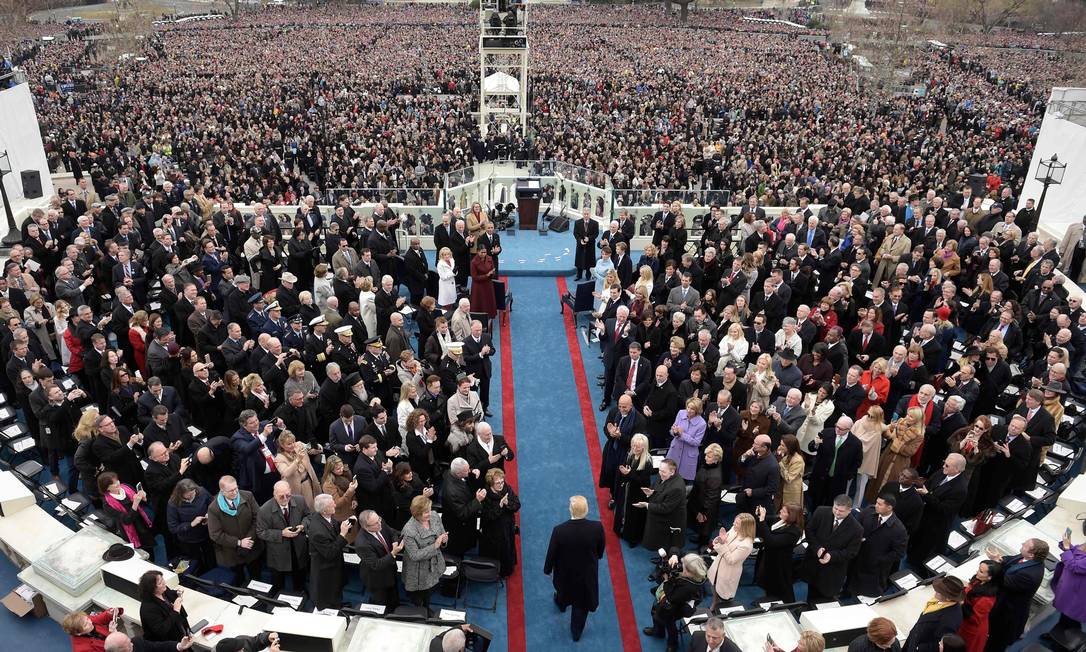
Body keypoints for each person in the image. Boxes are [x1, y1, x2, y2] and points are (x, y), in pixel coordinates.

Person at [544, 495, 606, 641]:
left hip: (565, 573)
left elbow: (552, 553)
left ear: (571, 510)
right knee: (581, 605)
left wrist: (547, 569)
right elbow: (600, 550)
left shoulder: (559, 530)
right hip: (586, 575)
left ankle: (561, 604)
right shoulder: (597, 527)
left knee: (563, 591)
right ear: (586, 510)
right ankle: (576, 633)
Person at [984, 538, 1049, 652]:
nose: (1022, 543)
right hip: (1003, 606)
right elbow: (1011, 560)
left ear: (1032, 554)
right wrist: (999, 559)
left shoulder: (1030, 575)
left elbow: (1004, 580)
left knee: (995, 643)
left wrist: (989, 568)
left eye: (1025, 545)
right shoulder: (1028, 558)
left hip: (1008, 615)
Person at [907, 454, 969, 568]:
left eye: (947, 465)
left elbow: (944, 509)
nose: (943, 466)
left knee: (923, 548)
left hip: (936, 523)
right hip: (924, 515)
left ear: (957, 469)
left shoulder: (960, 489)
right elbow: (929, 484)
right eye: (944, 463)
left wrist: (927, 496)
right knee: (914, 539)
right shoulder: (942, 472)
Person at [803, 494, 863, 604]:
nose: (837, 512)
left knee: (825, 598)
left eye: (841, 511)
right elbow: (809, 531)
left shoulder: (856, 529)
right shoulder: (821, 512)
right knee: (811, 592)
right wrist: (817, 548)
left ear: (849, 510)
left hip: (832, 571)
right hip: (814, 564)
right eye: (835, 508)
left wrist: (831, 556)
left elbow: (851, 552)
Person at [206, 475, 264, 585]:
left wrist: (249, 539)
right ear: (222, 491)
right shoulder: (213, 508)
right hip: (232, 553)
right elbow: (215, 534)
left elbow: (258, 518)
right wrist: (239, 542)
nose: (235, 492)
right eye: (231, 491)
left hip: (252, 546)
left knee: (256, 578)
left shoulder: (247, 496)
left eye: (236, 488)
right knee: (238, 580)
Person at [643, 552, 707, 651]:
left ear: (690, 572)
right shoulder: (696, 572)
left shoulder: (689, 587)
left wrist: (667, 580)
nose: (681, 568)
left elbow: (672, 597)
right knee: (655, 612)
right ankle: (658, 632)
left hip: (673, 607)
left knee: (670, 625)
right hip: (663, 599)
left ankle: (672, 644)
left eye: (684, 567)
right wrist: (674, 555)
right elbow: (677, 551)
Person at [847, 494, 908, 598]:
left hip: (874, 569)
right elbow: (856, 525)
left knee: (865, 595)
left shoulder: (899, 529)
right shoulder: (868, 511)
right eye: (876, 502)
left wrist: (879, 560)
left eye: (879, 504)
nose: (876, 505)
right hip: (857, 558)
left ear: (889, 508)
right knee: (849, 582)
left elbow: (898, 553)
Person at [254, 480, 310, 594]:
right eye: (281, 497)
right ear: (274, 495)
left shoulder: (300, 500)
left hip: (298, 548)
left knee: (299, 576)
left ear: (290, 491)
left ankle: (300, 592)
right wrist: (281, 533)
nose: (285, 499)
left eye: (288, 495)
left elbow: (308, 516)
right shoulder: (264, 510)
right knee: (278, 581)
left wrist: (303, 526)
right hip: (278, 552)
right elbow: (260, 532)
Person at [305, 493, 352, 610]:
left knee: (336, 591)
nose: (335, 505)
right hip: (326, 571)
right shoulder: (317, 532)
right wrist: (343, 534)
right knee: (329, 597)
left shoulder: (324, 516)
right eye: (332, 505)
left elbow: (335, 526)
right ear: (325, 510)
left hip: (335, 566)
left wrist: (347, 523)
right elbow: (330, 553)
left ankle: (338, 604)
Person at [401, 495, 448, 612]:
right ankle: (422, 610)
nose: (430, 513)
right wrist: (435, 546)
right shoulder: (409, 530)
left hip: (434, 562)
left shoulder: (435, 516)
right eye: (426, 512)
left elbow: (441, 534)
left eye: (429, 509)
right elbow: (414, 555)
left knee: (430, 588)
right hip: (418, 569)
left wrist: (444, 541)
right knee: (421, 593)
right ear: (416, 514)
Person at [754, 502, 804, 603]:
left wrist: (762, 520)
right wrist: (759, 514)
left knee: (781, 590)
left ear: (791, 515)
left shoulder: (794, 532)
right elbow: (767, 519)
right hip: (770, 560)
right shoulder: (780, 520)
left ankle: (786, 607)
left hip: (780, 565)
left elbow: (772, 541)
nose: (780, 511)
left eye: (784, 511)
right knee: (769, 587)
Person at [706, 513, 756, 608]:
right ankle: (714, 604)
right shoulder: (734, 529)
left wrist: (721, 544)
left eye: (737, 523)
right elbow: (723, 540)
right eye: (734, 521)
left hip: (728, 572)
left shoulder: (746, 545)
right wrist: (720, 540)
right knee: (714, 586)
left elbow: (731, 560)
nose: (733, 524)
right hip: (718, 565)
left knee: (724, 599)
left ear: (745, 527)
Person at [356, 509, 403, 609]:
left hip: (390, 570)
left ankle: (395, 609)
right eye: (375, 523)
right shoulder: (362, 543)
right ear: (366, 527)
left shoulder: (379, 522)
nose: (379, 524)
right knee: (381, 604)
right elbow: (376, 565)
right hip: (377, 579)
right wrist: (393, 553)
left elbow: (392, 532)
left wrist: (394, 541)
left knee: (393, 597)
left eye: (379, 520)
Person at [903, 576, 965, 652]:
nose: (935, 591)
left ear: (948, 598)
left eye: (939, 591)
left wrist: (920, 648)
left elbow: (940, 643)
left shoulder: (949, 620)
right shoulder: (938, 602)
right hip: (914, 639)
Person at [636, 458, 686, 551]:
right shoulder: (666, 475)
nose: (660, 473)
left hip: (669, 522)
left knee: (665, 544)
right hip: (660, 517)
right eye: (659, 470)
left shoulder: (676, 488)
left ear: (672, 472)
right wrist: (652, 492)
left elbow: (665, 508)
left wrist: (647, 505)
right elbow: (658, 487)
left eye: (663, 471)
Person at [479, 468, 520, 576]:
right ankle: (495, 571)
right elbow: (488, 516)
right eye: (498, 483)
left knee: (507, 548)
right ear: (491, 483)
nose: (501, 485)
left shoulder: (507, 489)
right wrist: (500, 506)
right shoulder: (485, 496)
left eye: (502, 482)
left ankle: (506, 570)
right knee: (496, 550)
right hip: (494, 531)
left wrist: (507, 503)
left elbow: (517, 505)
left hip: (507, 527)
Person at [614, 433, 652, 546]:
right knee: (624, 511)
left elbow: (643, 481)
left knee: (635, 516)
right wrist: (625, 474)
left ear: (644, 447)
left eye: (638, 446)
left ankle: (633, 538)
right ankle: (622, 530)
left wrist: (629, 473)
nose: (635, 448)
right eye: (633, 445)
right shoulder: (630, 455)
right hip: (628, 489)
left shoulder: (647, 462)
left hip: (638, 493)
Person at [1050, 530, 1086, 641]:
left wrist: (1066, 548)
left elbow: (1075, 566)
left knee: (1071, 618)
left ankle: (1069, 643)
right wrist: (1068, 545)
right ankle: (1056, 635)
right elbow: (1078, 553)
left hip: (1079, 594)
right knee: (1065, 615)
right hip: (1071, 589)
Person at [958, 560, 1000, 652]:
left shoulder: (987, 599)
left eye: (981, 571)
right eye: (978, 569)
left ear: (989, 577)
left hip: (971, 630)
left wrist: (962, 604)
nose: (977, 572)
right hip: (963, 623)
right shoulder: (977, 580)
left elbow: (975, 618)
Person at [137, 570, 189, 643]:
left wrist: (176, 592)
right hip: (168, 642)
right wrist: (175, 611)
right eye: (160, 583)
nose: (164, 583)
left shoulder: (163, 589)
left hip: (179, 630)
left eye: (163, 579)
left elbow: (169, 593)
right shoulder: (148, 609)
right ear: (152, 588)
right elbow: (161, 630)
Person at [688, 443, 724, 545]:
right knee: (701, 527)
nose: (706, 458)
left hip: (707, 508)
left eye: (709, 456)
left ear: (716, 459)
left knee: (705, 528)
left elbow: (711, 497)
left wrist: (702, 512)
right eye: (706, 455)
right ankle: (700, 538)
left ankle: (704, 546)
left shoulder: (715, 476)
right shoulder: (708, 465)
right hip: (699, 500)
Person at [735, 434, 780, 516]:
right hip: (744, 494)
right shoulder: (753, 453)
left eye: (756, 444)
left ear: (764, 448)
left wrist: (753, 492)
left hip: (758, 502)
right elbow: (740, 464)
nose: (753, 445)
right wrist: (744, 456)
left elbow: (772, 488)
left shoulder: (773, 466)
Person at [666, 397, 706, 481]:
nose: (689, 410)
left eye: (692, 409)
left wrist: (682, 434)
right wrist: (675, 432)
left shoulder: (702, 423)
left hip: (688, 457)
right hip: (674, 451)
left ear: (697, 410)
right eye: (688, 407)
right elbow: (672, 430)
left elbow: (696, 442)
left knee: (682, 482)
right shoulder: (681, 413)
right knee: (667, 476)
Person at [102, 632, 193, 652]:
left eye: (129, 639)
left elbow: (158, 647)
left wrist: (179, 646)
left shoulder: (137, 641)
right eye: (128, 644)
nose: (132, 643)